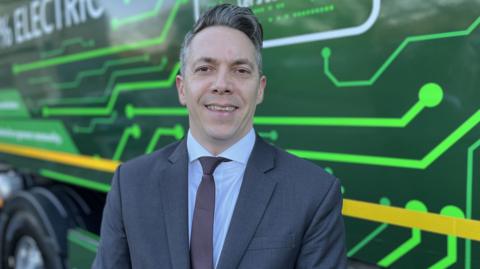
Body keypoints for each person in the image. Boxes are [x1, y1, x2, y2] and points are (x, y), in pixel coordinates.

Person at [92, 4, 346, 269]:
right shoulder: (130, 184)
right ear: (182, 88)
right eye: (205, 69)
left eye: (241, 70)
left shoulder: (314, 194)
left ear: (260, 90)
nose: (222, 84)